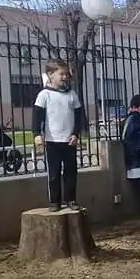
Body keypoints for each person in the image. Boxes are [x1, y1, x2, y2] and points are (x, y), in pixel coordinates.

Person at [33, 59, 83, 212]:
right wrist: (36, 134)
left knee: (71, 172)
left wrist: (75, 134)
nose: (64, 77)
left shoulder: (72, 95)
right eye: (61, 74)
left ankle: (71, 199)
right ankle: (54, 201)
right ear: (50, 75)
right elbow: (37, 116)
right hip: (52, 141)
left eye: (66, 74)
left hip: (69, 141)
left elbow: (79, 116)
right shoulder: (44, 95)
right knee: (54, 173)